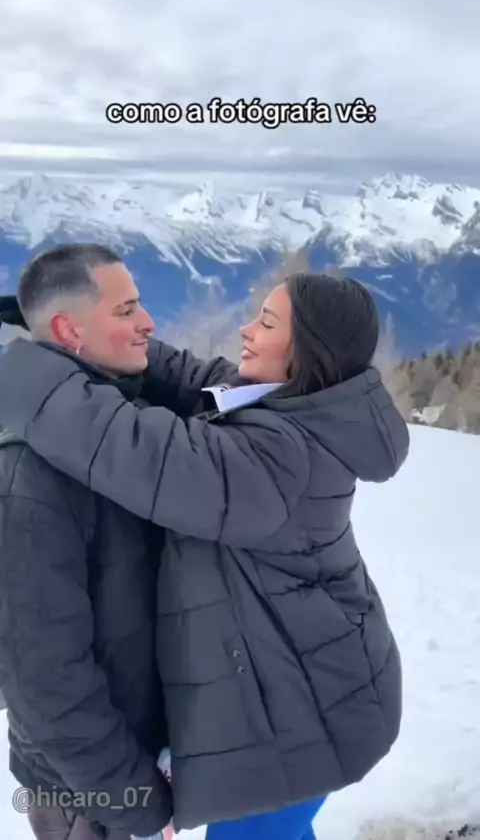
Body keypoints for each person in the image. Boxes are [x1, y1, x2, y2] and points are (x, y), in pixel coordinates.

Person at [0, 266, 410, 840]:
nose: (246, 329)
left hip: (301, 725)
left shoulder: (275, 458)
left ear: (306, 350)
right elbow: (192, 377)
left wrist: (25, 363)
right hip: (319, 687)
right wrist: (76, 331)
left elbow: (126, 442)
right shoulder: (294, 401)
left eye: (267, 322)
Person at [0, 244, 240, 840]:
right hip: (86, 794)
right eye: (127, 310)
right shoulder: (28, 474)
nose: (149, 324)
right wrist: (136, 801)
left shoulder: (126, 426)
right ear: (69, 331)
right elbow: (46, 681)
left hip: (141, 761)